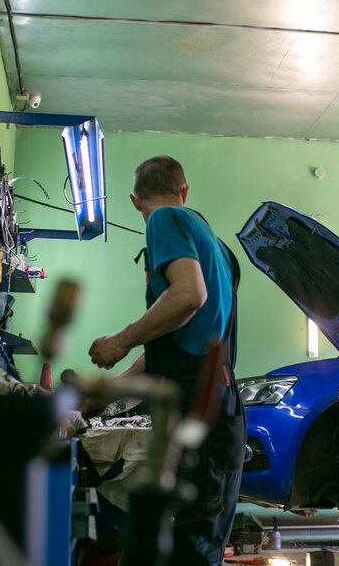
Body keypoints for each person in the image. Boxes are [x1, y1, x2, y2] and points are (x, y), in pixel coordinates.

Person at [89, 155, 243, 566]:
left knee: (186, 554)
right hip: (220, 417)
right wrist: (111, 391)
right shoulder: (215, 246)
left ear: (135, 201)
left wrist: (120, 340)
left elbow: (188, 297)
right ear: (184, 189)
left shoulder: (164, 219)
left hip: (199, 418)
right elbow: (177, 340)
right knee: (196, 551)